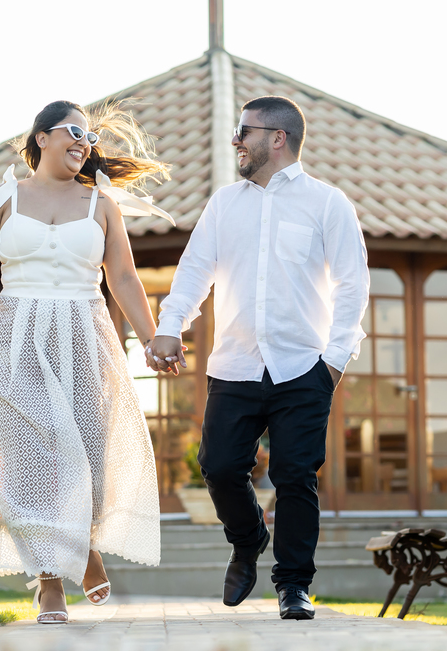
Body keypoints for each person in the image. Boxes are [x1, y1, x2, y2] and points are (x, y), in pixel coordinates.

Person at [0, 100, 175, 624]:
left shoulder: (101, 203)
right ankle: (49, 584)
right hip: (14, 340)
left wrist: (153, 338)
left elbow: (123, 279)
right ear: (42, 137)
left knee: (88, 462)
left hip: (83, 337)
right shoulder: (4, 196)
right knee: (25, 468)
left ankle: (86, 547)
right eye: (75, 131)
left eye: (91, 138)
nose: (85, 143)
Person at [148, 96, 369, 620]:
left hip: (303, 367)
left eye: (243, 131)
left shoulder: (327, 203)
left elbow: (352, 284)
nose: (235, 141)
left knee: (296, 477)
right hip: (236, 365)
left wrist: (333, 361)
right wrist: (168, 327)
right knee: (220, 466)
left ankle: (293, 585)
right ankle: (247, 540)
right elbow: (194, 271)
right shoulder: (225, 204)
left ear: (277, 138)